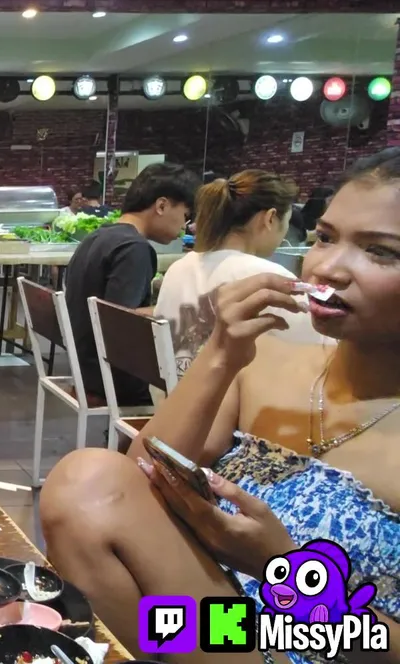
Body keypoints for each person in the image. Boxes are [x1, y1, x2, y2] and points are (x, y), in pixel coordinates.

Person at [40, 147, 400, 663]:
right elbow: (137, 480)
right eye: (324, 238)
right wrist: (221, 351)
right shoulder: (265, 360)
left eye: (380, 251)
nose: (328, 267)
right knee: (86, 481)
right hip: (222, 630)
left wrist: (287, 574)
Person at [155, 170, 323, 377]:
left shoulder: (179, 267)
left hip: (176, 391)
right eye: (286, 224)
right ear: (270, 218)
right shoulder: (273, 279)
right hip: (233, 396)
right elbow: (318, 358)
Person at [64, 162, 199, 407]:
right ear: (161, 205)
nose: (184, 226)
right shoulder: (134, 249)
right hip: (112, 378)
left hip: (85, 368)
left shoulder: (98, 236)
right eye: (185, 215)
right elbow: (120, 322)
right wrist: (174, 309)